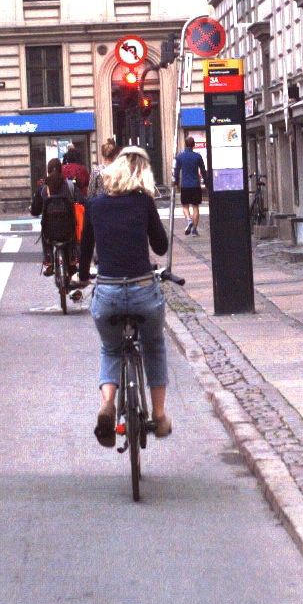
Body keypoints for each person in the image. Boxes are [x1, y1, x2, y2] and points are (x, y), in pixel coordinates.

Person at [79, 147, 172, 446]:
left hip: (107, 292)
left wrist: (83, 275)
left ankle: (107, 403)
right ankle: (159, 415)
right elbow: (160, 246)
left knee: (111, 348)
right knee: (153, 345)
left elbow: (84, 250)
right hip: (143, 289)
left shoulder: (94, 205)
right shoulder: (144, 202)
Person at [31, 157, 79, 280]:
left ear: (48, 171)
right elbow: (82, 201)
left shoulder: (43, 189)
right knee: (73, 231)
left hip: (50, 230)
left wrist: (34, 209)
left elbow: (35, 210)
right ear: (61, 170)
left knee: (44, 233)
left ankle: (49, 261)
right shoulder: (70, 186)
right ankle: (73, 258)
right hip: (68, 228)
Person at [173, 137, 206, 236]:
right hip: (195, 185)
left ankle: (188, 219)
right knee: (195, 207)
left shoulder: (180, 157)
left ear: (185, 144)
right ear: (193, 145)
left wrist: (176, 182)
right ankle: (194, 230)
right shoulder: (197, 156)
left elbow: (176, 171)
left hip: (185, 185)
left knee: (185, 206)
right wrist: (207, 182)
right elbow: (203, 170)